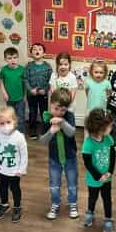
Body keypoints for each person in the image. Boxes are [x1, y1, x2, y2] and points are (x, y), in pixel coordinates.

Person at [39, 88, 78, 220]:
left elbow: (72, 133)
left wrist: (62, 122)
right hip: (54, 159)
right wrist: (51, 131)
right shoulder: (46, 118)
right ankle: (55, 203)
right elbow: (42, 141)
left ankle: (73, 203)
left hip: (70, 157)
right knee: (54, 184)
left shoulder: (69, 116)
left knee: (72, 183)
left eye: (63, 110)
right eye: (56, 109)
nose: (60, 112)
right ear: (51, 104)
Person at [0, 107, 28, 223]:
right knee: (2, 188)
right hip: (0, 170)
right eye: (2, 123)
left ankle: (17, 207)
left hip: (14, 171)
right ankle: (4, 204)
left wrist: (22, 169)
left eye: (8, 122)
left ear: (14, 121)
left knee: (15, 189)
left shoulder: (19, 137)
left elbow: (24, 154)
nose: (5, 125)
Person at [82, 109, 116, 232]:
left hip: (107, 177)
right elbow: (88, 163)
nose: (112, 127)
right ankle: (90, 212)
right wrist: (98, 176)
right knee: (93, 197)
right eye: (110, 126)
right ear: (100, 128)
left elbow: (113, 156)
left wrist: (110, 172)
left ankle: (108, 218)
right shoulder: (88, 143)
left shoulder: (109, 139)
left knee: (107, 198)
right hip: (93, 179)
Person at [25, 43, 53, 140]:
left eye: (40, 49)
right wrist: (30, 90)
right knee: (32, 113)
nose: (37, 50)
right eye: (34, 49)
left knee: (44, 113)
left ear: (44, 53)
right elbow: (25, 79)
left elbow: (51, 81)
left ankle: (46, 130)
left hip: (43, 95)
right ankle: (32, 131)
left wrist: (45, 90)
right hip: (31, 94)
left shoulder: (48, 67)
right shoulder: (29, 66)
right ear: (31, 53)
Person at [0, 47, 26, 133]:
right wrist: (4, 93)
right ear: (5, 59)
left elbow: (25, 84)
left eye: (14, 58)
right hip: (9, 98)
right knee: (10, 116)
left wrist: (25, 96)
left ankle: (20, 133)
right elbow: (1, 82)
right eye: (9, 58)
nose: (12, 60)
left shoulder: (22, 70)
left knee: (20, 117)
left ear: (17, 58)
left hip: (20, 98)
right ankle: (11, 131)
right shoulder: (4, 70)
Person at [49, 53, 78, 126]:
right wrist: (57, 105)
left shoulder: (72, 77)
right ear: (57, 65)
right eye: (60, 64)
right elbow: (52, 91)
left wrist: (66, 105)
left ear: (69, 65)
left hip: (69, 108)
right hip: (57, 107)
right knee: (56, 127)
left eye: (66, 64)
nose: (63, 67)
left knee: (69, 126)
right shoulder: (54, 75)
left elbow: (73, 93)